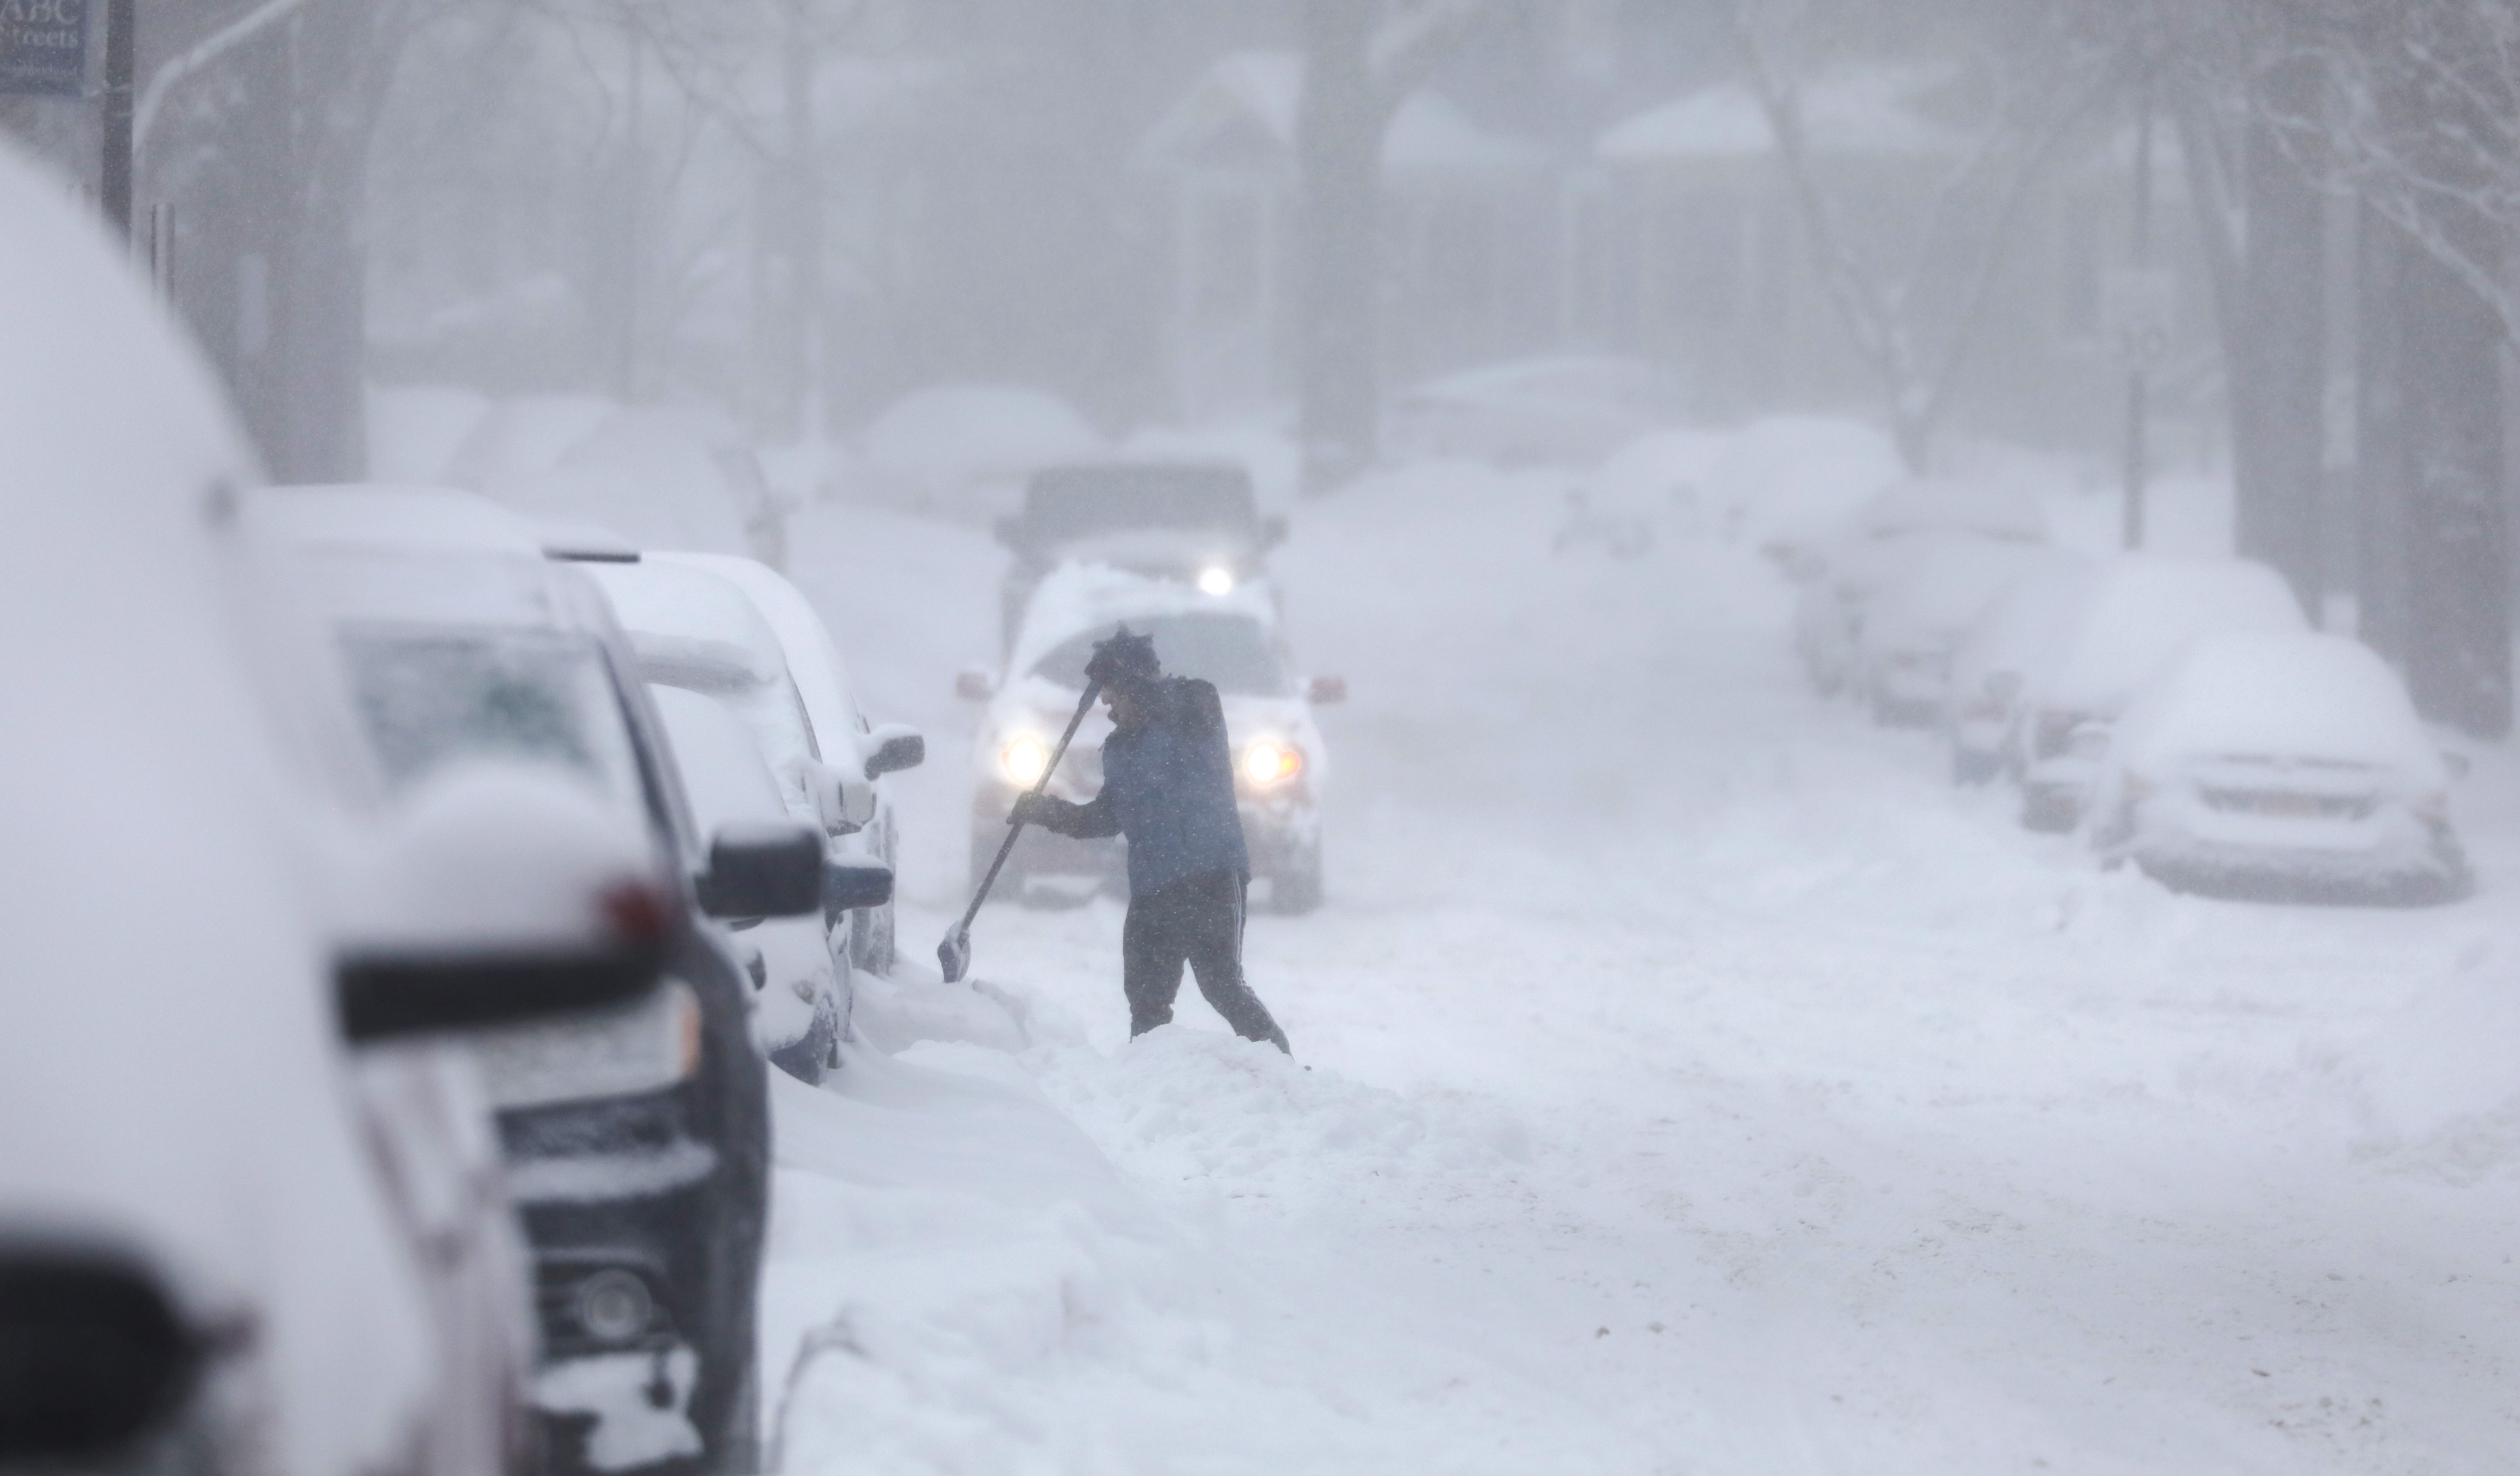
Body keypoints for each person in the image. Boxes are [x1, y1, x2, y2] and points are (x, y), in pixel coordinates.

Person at [1012, 626, 1292, 1053]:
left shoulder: (1197, 710)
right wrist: (1046, 811)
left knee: (1221, 985)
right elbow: (1104, 819)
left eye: (1113, 692)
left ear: (1135, 684)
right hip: (1154, 886)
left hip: (1212, 875)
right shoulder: (1120, 749)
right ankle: (1150, 1082)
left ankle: (1284, 1071)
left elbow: (1179, 700)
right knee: (1145, 997)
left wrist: (1133, 678)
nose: (1106, 703)